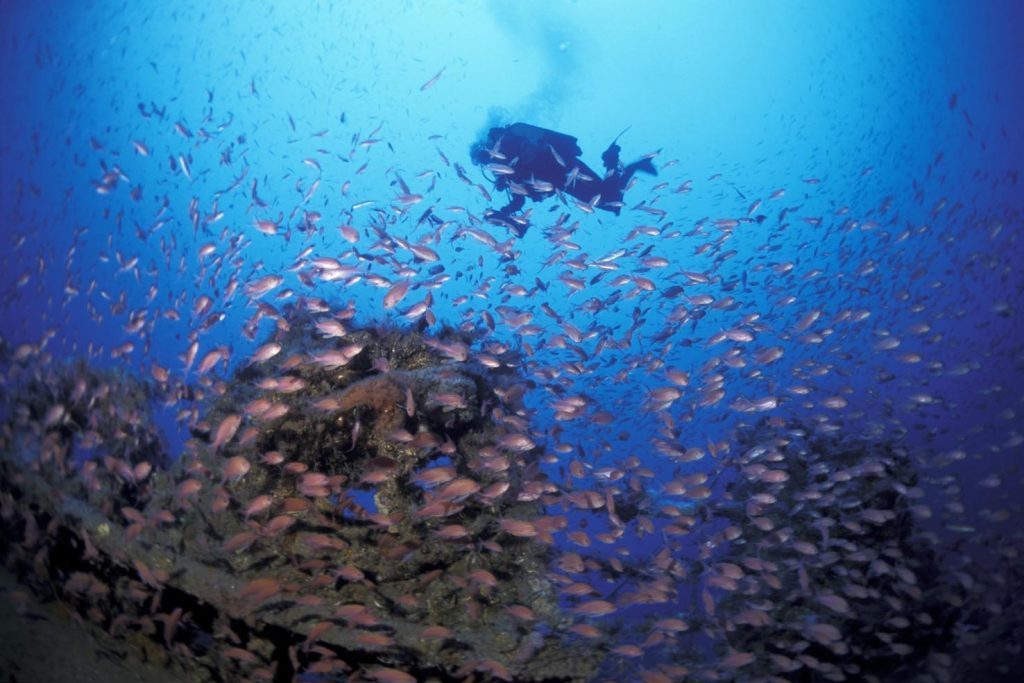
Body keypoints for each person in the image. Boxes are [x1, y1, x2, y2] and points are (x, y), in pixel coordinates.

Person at [470, 122, 657, 237]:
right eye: (484, 162)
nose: (488, 162)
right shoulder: (502, 171)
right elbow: (519, 197)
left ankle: (612, 158)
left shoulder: (512, 139)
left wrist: (567, 148)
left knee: (611, 201)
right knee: (611, 204)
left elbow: (546, 137)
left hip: (568, 167)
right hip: (561, 184)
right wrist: (505, 213)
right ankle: (629, 165)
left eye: (484, 156)